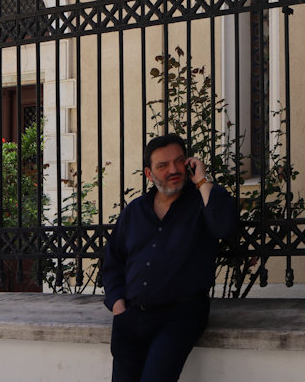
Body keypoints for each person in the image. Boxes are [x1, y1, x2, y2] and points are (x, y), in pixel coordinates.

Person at [102, 133, 239, 382]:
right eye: (163, 165)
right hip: (130, 318)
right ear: (148, 173)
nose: (173, 170)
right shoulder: (134, 212)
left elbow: (224, 227)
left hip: (179, 317)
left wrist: (202, 181)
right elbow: (113, 263)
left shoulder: (202, 202)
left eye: (179, 161)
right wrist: (118, 306)